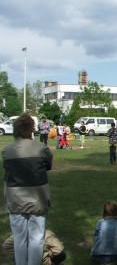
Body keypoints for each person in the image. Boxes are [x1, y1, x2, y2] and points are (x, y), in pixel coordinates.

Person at [3, 113, 53, 265]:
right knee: (36, 239)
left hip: (15, 199)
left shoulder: (7, 151)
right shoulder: (42, 148)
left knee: (19, 239)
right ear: (31, 128)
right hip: (37, 198)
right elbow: (48, 166)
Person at [3, 229, 67, 265]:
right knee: (62, 255)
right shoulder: (46, 233)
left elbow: (7, 246)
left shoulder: (20, 235)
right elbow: (58, 250)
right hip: (43, 261)